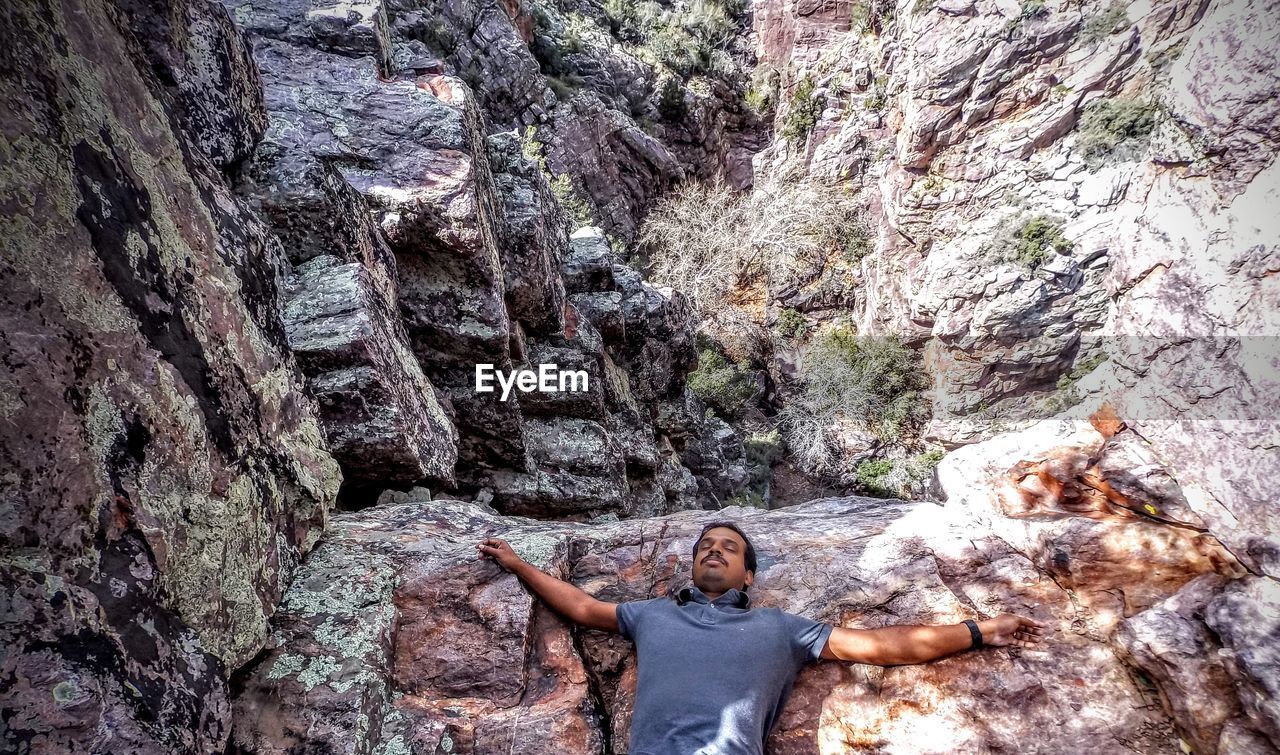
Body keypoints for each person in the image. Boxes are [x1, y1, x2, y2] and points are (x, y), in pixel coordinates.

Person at [476, 521, 1046, 755]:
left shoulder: (782, 629)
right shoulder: (650, 615)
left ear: (748, 575)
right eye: (705, 547)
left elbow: (883, 646)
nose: (714, 551)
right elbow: (579, 605)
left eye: (728, 548)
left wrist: (977, 631)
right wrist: (519, 564)